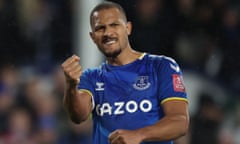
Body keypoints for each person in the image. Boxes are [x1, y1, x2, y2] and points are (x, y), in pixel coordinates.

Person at [61, 1, 189, 144]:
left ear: (128, 28)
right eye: (100, 28)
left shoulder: (161, 67)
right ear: (93, 37)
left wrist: (139, 135)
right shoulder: (92, 77)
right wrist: (71, 85)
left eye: (114, 25)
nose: (108, 33)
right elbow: (78, 116)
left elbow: (180, 122)